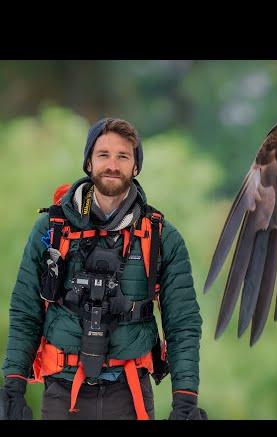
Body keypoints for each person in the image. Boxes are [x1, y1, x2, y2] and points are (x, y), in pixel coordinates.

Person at [0, 118, 207, 420]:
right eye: (103, 155)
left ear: (136, 167)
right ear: (88, 162)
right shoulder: (51, 230)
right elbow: (25, 310)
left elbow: (183, 322)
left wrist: (185, 400)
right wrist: (12, 388)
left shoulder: (160, 237)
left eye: (123, 156)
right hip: (62, 390)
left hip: (130, 392)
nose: (112, 164)